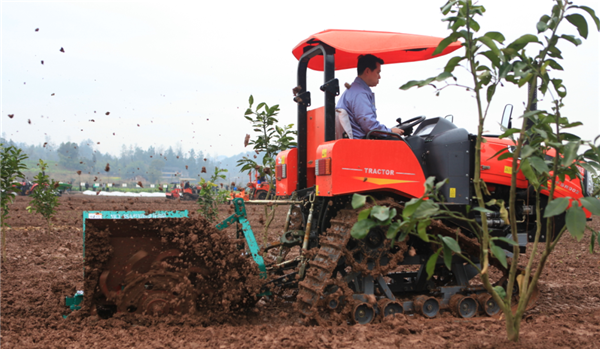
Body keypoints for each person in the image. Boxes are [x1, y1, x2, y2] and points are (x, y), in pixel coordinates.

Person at [336, 54, 404, 139]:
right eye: (378, 72)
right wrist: (390, 132)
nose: (379, 77)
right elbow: (369, 125)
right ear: (367, 71)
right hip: (361, 143)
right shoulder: (360, 94)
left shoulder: (353, 90)